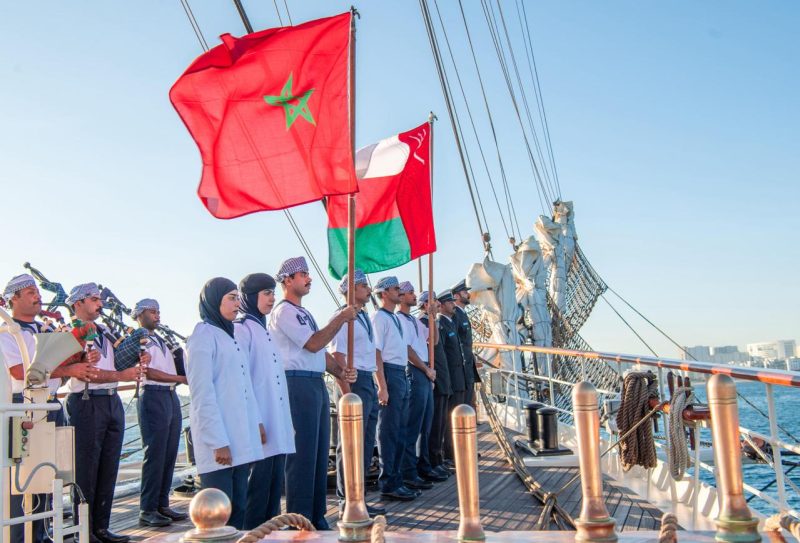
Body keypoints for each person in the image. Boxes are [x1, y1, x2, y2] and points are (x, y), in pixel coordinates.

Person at [0, 275, 96, 543]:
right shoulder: (6, 332)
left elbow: (56, 374)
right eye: (30, 292)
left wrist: (80, 360)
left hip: (50, 403)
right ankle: (20, 537)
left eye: (36, 291)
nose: (37, 296)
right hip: (23, 407)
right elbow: (20, 373)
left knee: (47, 475)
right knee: (21, 480)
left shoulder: (47, 329)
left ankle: (42, 533)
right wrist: (69, 368)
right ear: (14, 299)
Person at [268, 257, 356, 530]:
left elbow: (318, 355)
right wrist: (340, 318)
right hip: (296, 385)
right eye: (302, 274)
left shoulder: (303, 313)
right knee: (302, 456)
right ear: (287, 280)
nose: (308, 278)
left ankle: (316, 517)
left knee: (317, 457)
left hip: (313, 383)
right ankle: (299, 520)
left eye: (307, 273)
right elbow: (314, 343)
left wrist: (340, 371)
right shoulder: (284, 312)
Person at [64, 283, 144, 543]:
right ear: (78, 304)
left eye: (99, 299)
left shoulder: (105, 331)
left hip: (111, 400)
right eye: (93, 299)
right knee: (86, 470)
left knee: (109, 468)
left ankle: (101, 528)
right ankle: (83, 532)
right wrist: (123, 375)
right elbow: (87, 372)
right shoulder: (69, 333)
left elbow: (116, 361)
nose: (100, 304)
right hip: (86, 402)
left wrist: (137, 360)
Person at [186, 278, 266, 529]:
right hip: (219, 445)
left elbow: (245, 388)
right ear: (214, 301)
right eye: (231, 298)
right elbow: (202, 393)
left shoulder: (229, 335)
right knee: (217, 515)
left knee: (238, 508)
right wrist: (217, 442)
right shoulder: (203, 335)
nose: (237, 303)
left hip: (240, 439)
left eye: (236, 297)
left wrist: (257, 423)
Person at [114, 299, 188, 527]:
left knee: (169, 452)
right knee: (155, 454)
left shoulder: (159, 339)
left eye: (158, 311)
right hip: (153, 394)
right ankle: (147, 509)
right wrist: (180, 379)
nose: (157, 315)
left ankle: (162, 503)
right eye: (152, 312)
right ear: (139, 315)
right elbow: (148, 371)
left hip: (169, 394)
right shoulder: (137, 338)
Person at [234, 273, 295, 529]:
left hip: (276, 421)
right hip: (260, 422)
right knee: (256, 492)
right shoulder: (242, 329)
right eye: (266, 293)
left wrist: (285, 421)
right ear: (249, 297)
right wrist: (255, 421)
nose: (272, 298)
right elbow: (242, 379)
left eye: (272, 292)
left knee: (273, 490)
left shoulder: (264, 329)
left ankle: (271, 534)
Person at [328, 270, 386, 517]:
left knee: (364, 443)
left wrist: (377, 383)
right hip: (353, 381)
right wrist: (346, 392)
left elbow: (371, 353)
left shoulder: (362, 317)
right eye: (363, 285)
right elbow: (337, 355)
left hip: (367, 381)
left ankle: (358, 497)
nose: (368, 289)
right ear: (351, 290)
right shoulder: (344, 318)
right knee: (350, 444)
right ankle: (346, 501)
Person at [372, 276, 417, 502]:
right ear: (383, 293)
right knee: (389, 431)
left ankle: (397, 479)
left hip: (401, 372)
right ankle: (388, 482)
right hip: (389, 373)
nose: (399, 291)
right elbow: (376, 353)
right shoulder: (379, 318)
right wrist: (382, 385)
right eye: (395, 288)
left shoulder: (394, 318)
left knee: (400, 429)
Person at [396, 282, 443, 489]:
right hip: (415, 371)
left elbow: (433, 341)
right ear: (401, 296)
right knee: (412, 424)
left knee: (426, 423)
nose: (414, 296)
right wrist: (425, 370)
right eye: (411, 292)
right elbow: (406, 349)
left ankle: (423, 465)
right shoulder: (399, 320)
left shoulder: (414, 321)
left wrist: (432, 317)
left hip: (424, 371)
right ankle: (408, 471)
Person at [417, 291, 452, 481]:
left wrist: (434, 319)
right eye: (433, 301)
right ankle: (431, 460)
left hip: (441, 376)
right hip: (432, 377)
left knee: (439, 422)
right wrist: (431, 318)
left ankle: (437, 458)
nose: (437, 304)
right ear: (424, 305)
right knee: (432, 424)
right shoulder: (422, 322)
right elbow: (431, 342)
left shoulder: (432, 321)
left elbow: (436, 342)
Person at [436, 290, 467, 468]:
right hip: (451, 378)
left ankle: (460, 450)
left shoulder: (451, 323)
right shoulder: (441, 324)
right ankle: (450, 452)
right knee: (451, 417)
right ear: (441, 305)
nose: (452, 305)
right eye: (449, 302)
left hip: (459, 376)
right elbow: (444, 355)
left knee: (460, 414)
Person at [451, 280, 478, 407]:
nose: (468, 294)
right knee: (463, 404)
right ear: (456, 296)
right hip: (462, 366)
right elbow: (456, 341)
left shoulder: (463, 314)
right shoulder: (455, 314)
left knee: (468, 401)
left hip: (468, 364)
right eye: (465, 292)